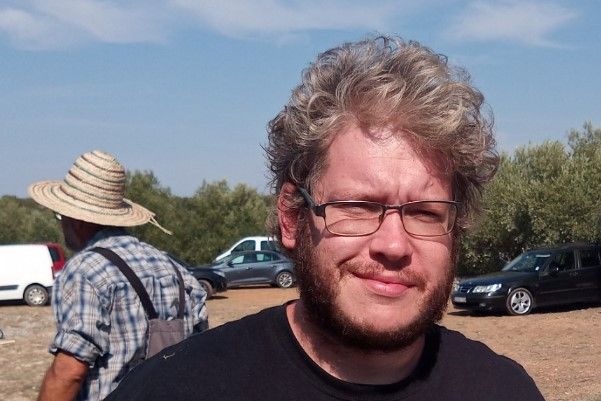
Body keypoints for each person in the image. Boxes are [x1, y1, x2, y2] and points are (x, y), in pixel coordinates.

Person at [103, 36, 545, 401]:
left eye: (426, 213)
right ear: (292, 218)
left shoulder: (504, 390)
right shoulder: (174, 389)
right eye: (358, 207)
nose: (394, 245)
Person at [29, 150, 208, 401]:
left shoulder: (84, 271)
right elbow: (200, 358)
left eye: (60, 215)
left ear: (77, 220)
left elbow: (69, 373)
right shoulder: (178, 271)